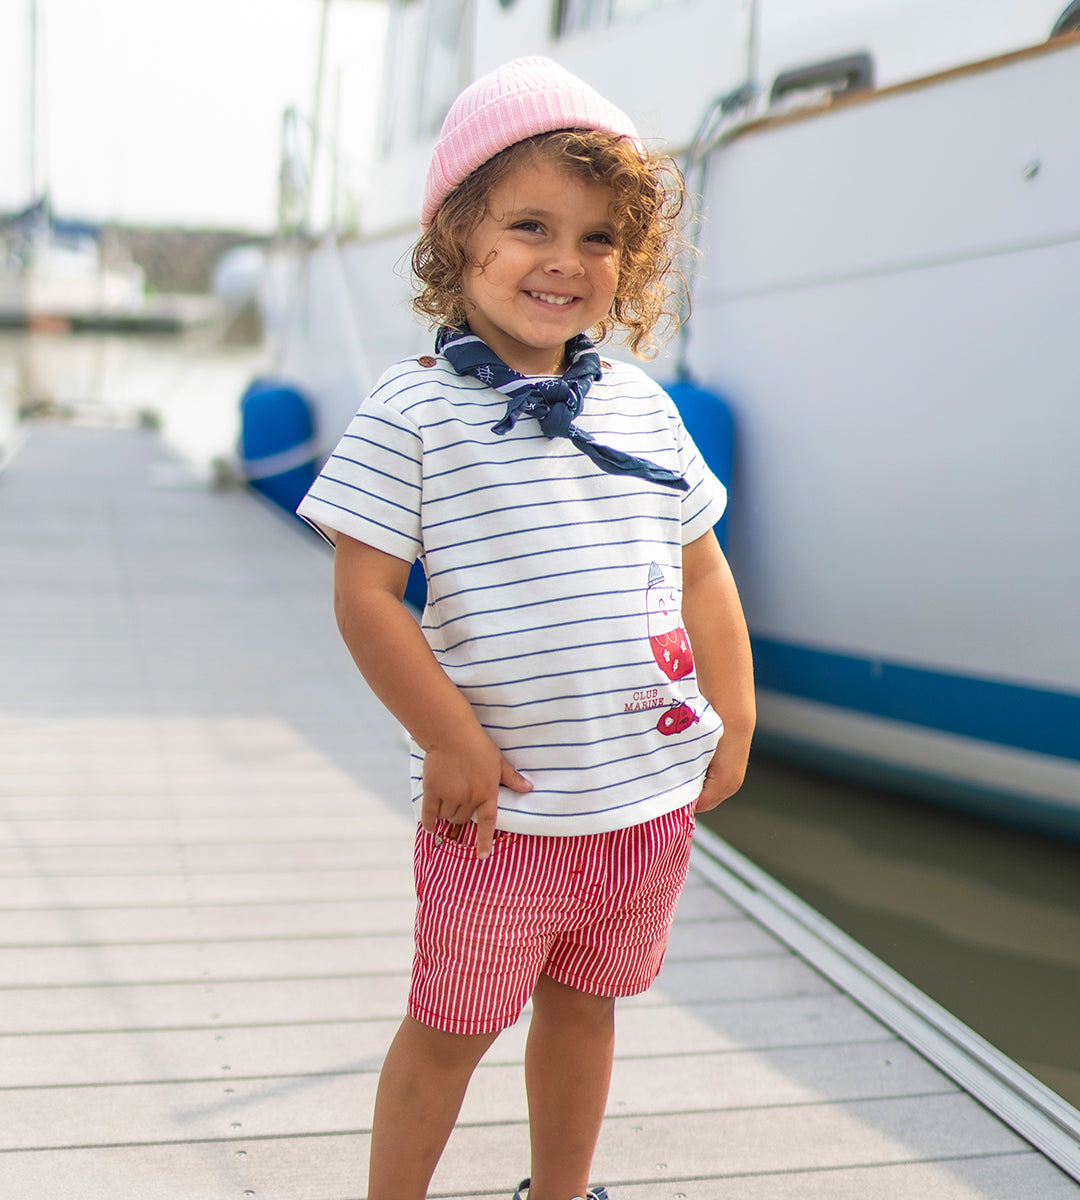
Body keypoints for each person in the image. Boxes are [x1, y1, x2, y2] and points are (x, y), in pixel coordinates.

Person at [297, 55, 755, 1200]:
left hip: (642, 804)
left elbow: (702, 565)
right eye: (530, 226)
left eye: (599, 239)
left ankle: (559, 1191)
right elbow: (365, 596)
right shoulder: (412, 411)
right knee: (450, 1028)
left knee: (588, 1006)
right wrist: (448, 736)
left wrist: (736, 713)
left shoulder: (640, 405)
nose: (565, 260)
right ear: (457, 236)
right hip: (503, 812)